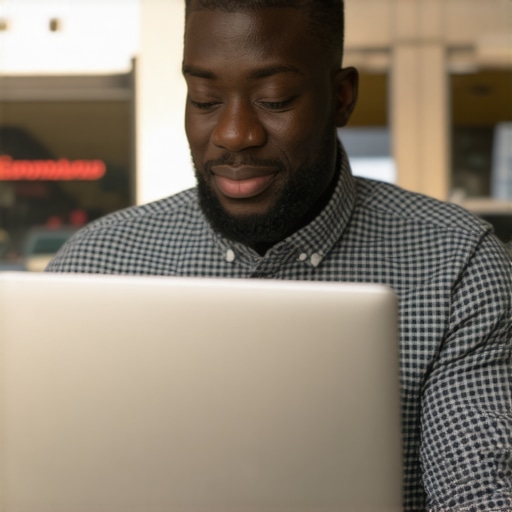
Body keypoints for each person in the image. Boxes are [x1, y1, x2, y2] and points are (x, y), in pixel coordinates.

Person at [47, 1, 512, 510]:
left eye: (274, 99)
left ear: (341, 98)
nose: (233, 134)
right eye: (204, 100)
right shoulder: (93, 266)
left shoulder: (456, 264)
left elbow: (477, 493)